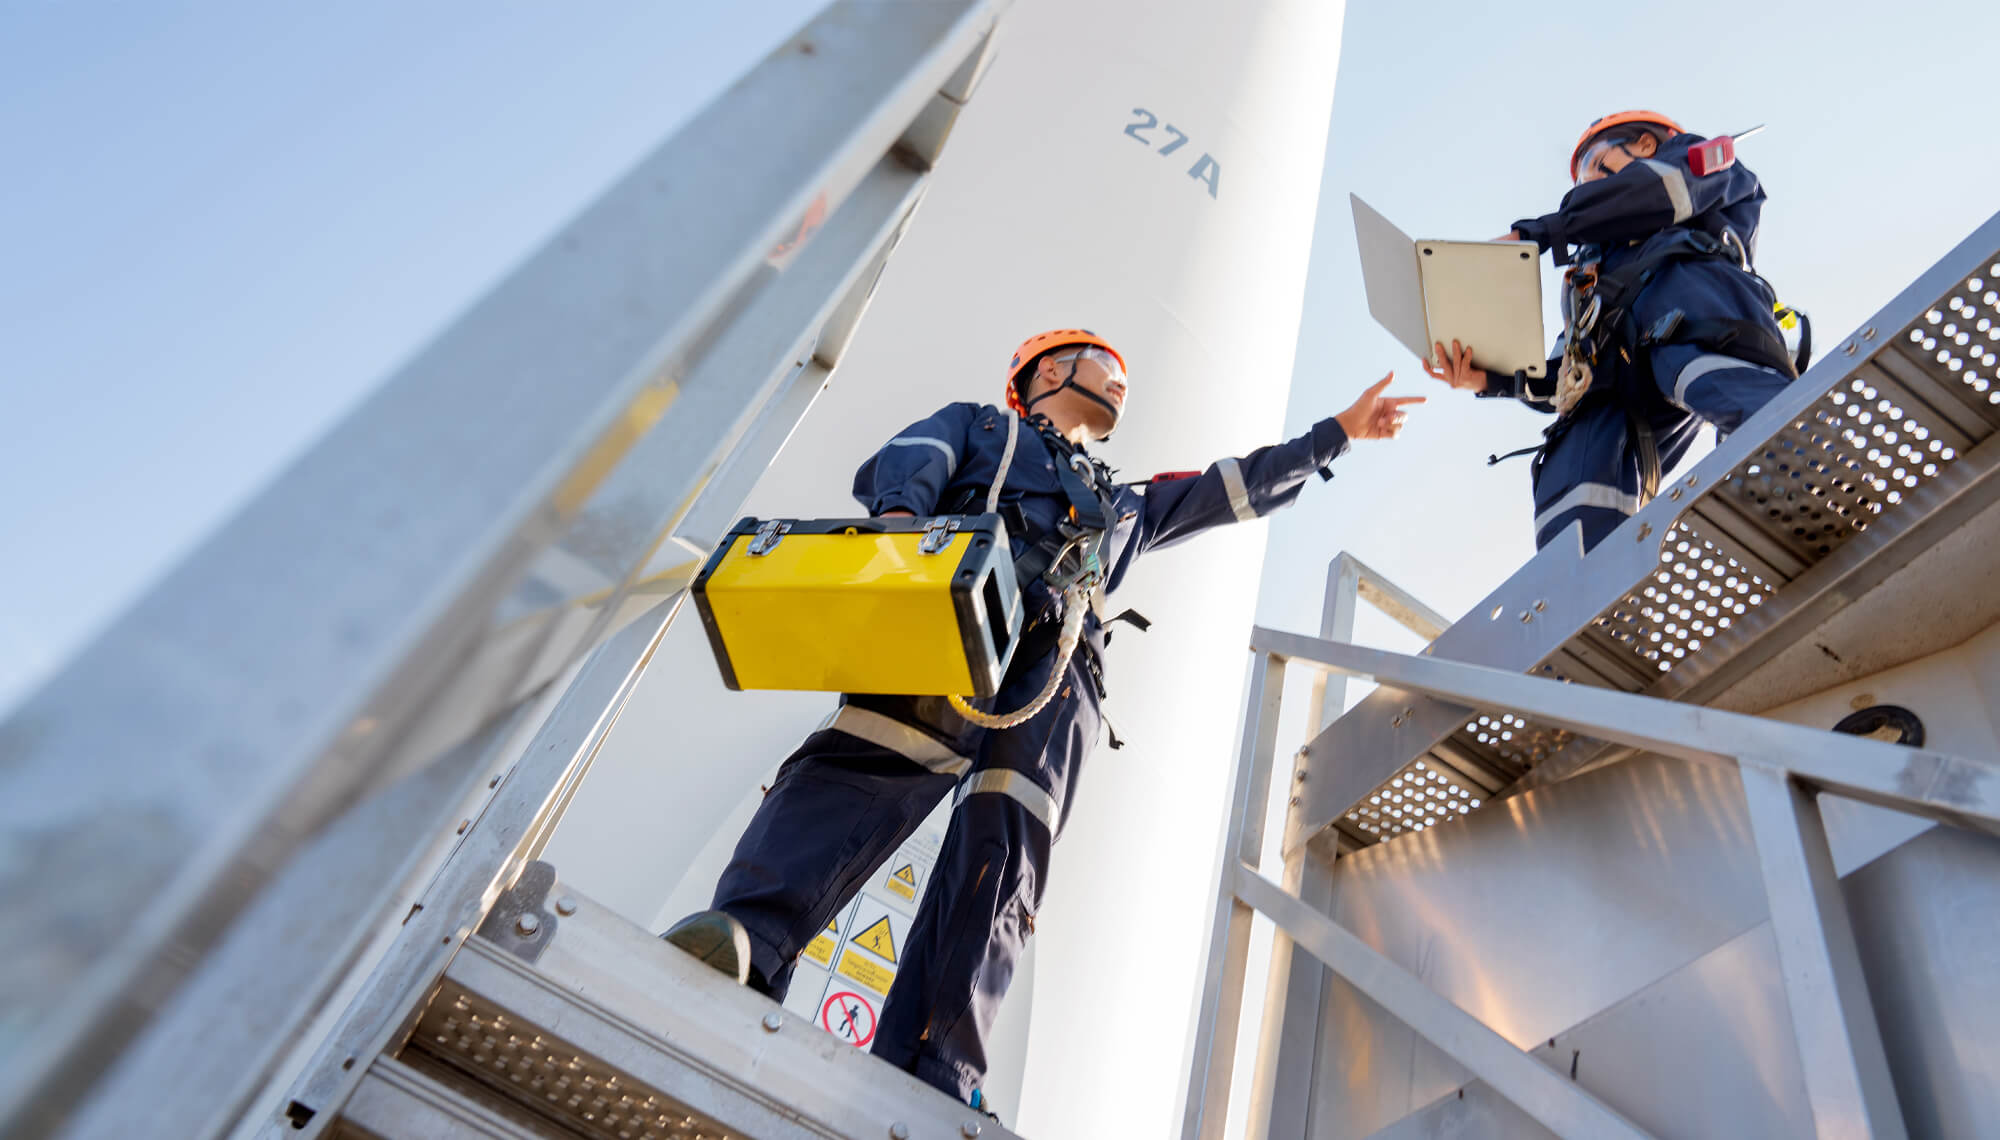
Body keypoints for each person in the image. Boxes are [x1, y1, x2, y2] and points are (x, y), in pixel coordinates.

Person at [662, 329, 1420, 1109]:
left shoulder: (1125, 505)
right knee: (862, 768)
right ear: (1051, 369)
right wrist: (899, 528)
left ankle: (937, 1065)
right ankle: (749, 944)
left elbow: (1230, 486)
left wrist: (1338, 435)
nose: (1123, 385)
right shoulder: (986, 428)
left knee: (1007, 845)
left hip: (1058, 669)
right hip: (956, 601)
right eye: (1109, 368)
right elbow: (913, 457)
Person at [1422, 110, 1806, 551]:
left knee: (1704, 362)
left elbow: (1648, 193)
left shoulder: (1701, 162)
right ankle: (1581, 582)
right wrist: (1493, 376)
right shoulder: (1590, 269)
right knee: (1580, 434)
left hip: (1691, 312)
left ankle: (1804, 480)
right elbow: (1568, 370)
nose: (1586, 188)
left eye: (1596, 169)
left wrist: (1540, 233)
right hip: (1619, 369)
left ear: (1644, 144)